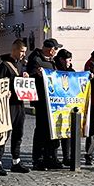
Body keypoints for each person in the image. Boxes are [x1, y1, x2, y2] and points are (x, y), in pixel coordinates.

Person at [0, 39, 31, 174]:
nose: (23, 54)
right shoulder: (4, 66)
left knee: (18, 133)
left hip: (19, 104)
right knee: (4, 134)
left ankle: (16, 161)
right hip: (7, 105)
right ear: (14, 50)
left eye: (24, 52)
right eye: (21, 51)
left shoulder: (21, 65)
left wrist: (25, 77)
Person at [27, 39, 60, 170]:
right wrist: (38, 74)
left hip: (52, 100)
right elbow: (31, 75)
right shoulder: (36, 60)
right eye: (55, 49)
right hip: (41, 100)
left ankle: (50, 157)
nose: (56, 52)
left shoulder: (51, 61)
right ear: (51, 49)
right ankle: (38, 159)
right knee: (41, 130)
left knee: (52, 130)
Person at [54, 48, 77, 166]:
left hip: (68, 105)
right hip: (56, 105)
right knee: (56, 131)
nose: (69, 62)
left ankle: (66, 157)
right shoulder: (54, 69)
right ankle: (53, 157)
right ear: (61, 60)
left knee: (67, 132)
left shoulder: (71, 70)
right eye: (68, 60)